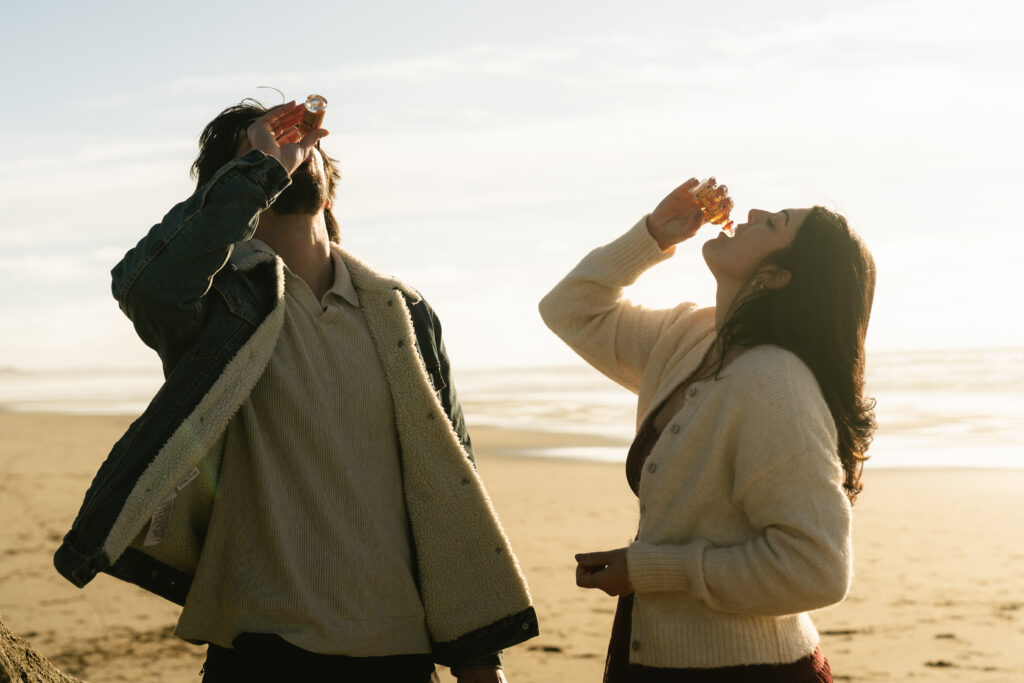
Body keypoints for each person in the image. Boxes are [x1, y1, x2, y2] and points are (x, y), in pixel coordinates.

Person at [54, 100, 538, 682]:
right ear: (226, 199)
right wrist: (259, 173)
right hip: (261, 650)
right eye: (257, 152)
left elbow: (451, 480)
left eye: (296, 146)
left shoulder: (402, 313)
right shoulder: (219, 308)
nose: (283, 154)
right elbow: (145, 285)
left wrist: (480, 660)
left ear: (329, 192)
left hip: (400, 653)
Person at [539, 178, 876, 681]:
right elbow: (569, 308)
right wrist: (653, 234)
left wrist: (649, 570)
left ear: (779, 276)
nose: (756, 209)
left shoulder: (775, 383)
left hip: (750, 670)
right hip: (654, 656)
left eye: (774, 223)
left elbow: (816, 569)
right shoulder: (689, 337)